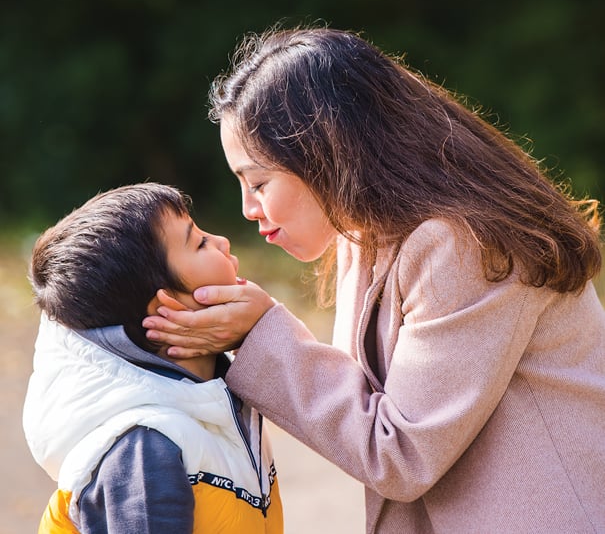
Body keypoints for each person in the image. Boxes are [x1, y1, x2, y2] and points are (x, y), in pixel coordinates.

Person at [143, 27, 605, 533]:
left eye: (258, 182)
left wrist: (259, 334)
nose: (248, 209)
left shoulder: (462, 246)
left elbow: (401, 453)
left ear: (326, 153)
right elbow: (366, 410)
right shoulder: (365, 233)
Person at [23, 182, 283, 534]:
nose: (222, 241)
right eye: (200, 243)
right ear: (166, 308)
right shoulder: (144, 452)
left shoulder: (215, 405)